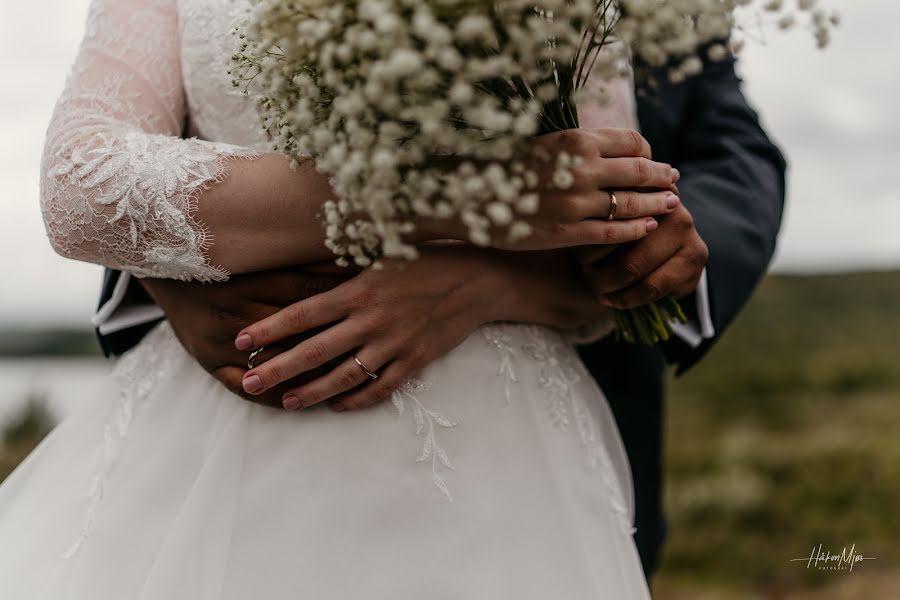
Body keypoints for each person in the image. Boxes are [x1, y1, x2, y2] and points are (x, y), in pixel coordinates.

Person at [0, 1, 734, 598]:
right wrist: (466, 197)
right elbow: (79, 186)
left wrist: (636, 251)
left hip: (503, 456)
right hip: (237, 430)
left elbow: (603, 227)